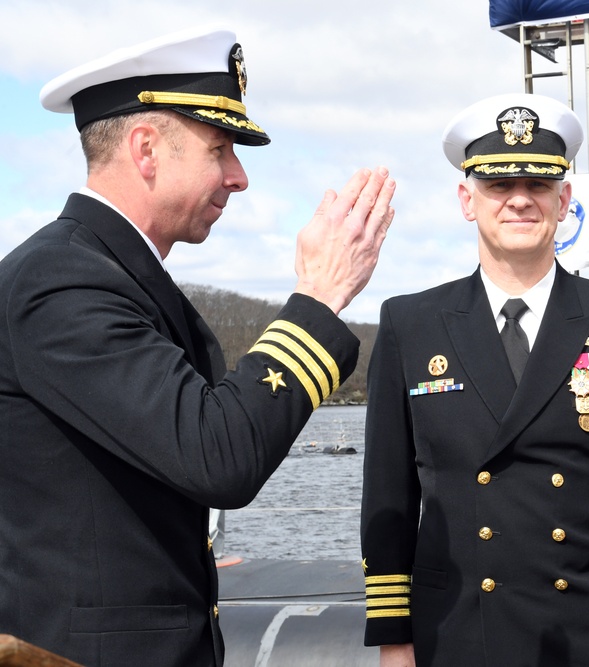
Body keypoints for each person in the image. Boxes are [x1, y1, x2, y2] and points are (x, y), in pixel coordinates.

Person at [0, 26, 395, 666]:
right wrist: (320, 297)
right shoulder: (62, 281)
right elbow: (218, 455)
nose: (238, 177)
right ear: (147, 149)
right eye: (220, 149)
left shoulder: (115, 275)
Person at [360, 93, 589, 667]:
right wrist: (394, 640)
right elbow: (387, 500)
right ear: (466, 200)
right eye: (499, 186)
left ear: (564, 198)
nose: (520, 200)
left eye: (539, 185)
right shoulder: (412, 324)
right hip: (458, 633)